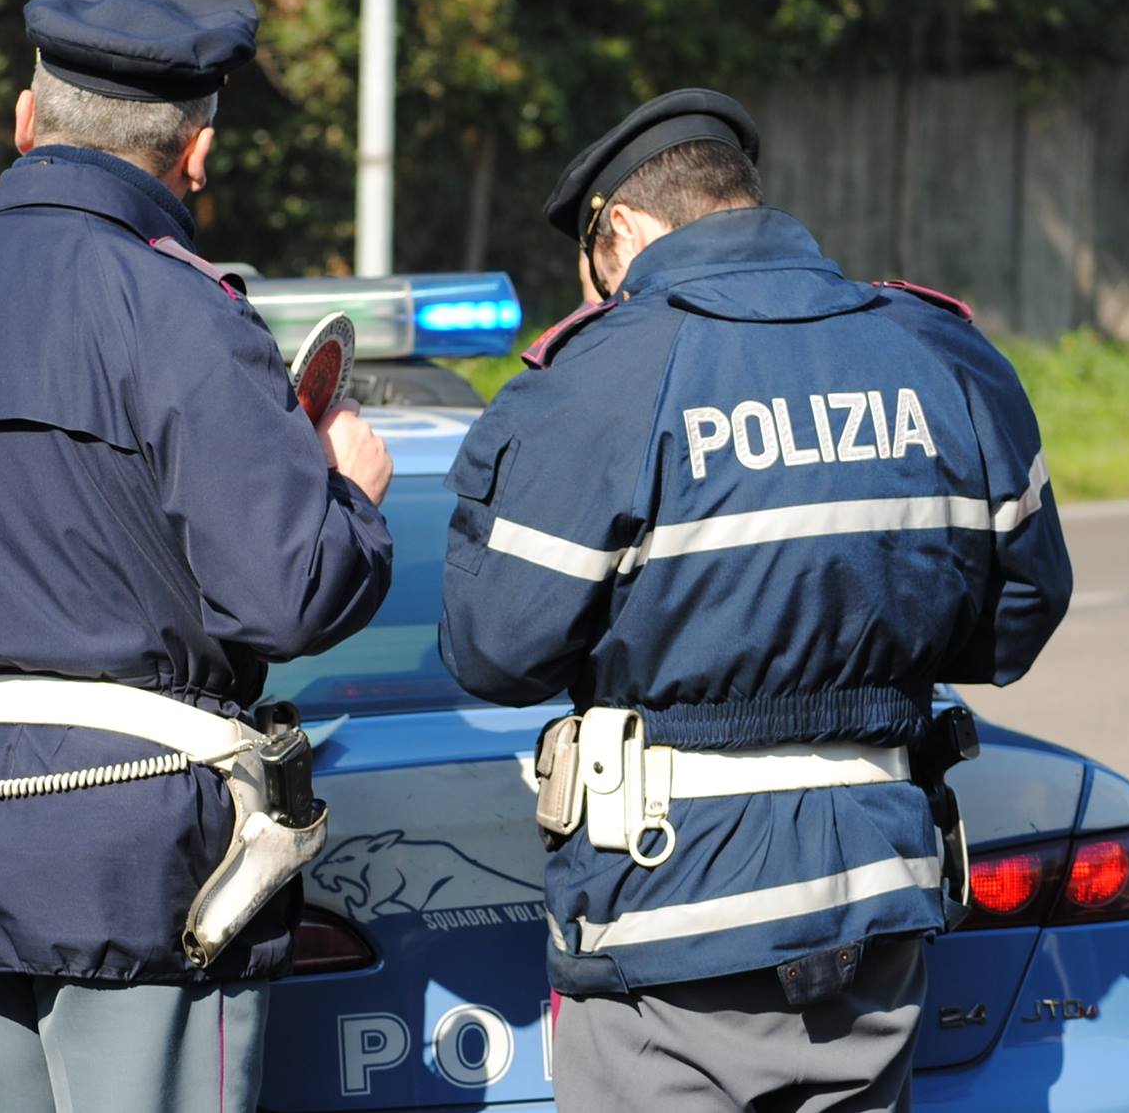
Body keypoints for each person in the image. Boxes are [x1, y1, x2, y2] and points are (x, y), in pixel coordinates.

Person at [0, 0, 395, 1113]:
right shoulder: (182, 317)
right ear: (196, 149)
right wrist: (350, 497)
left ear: (25, 117)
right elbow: (289, 594)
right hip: (139, 867)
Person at [437, 89, 1072, 1112]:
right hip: (874, 895)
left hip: (666, 910)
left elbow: (494, 652)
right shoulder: (942, 353)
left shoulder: (602, 377)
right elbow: (1018, 616)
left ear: (624, 232)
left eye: (596, 265)